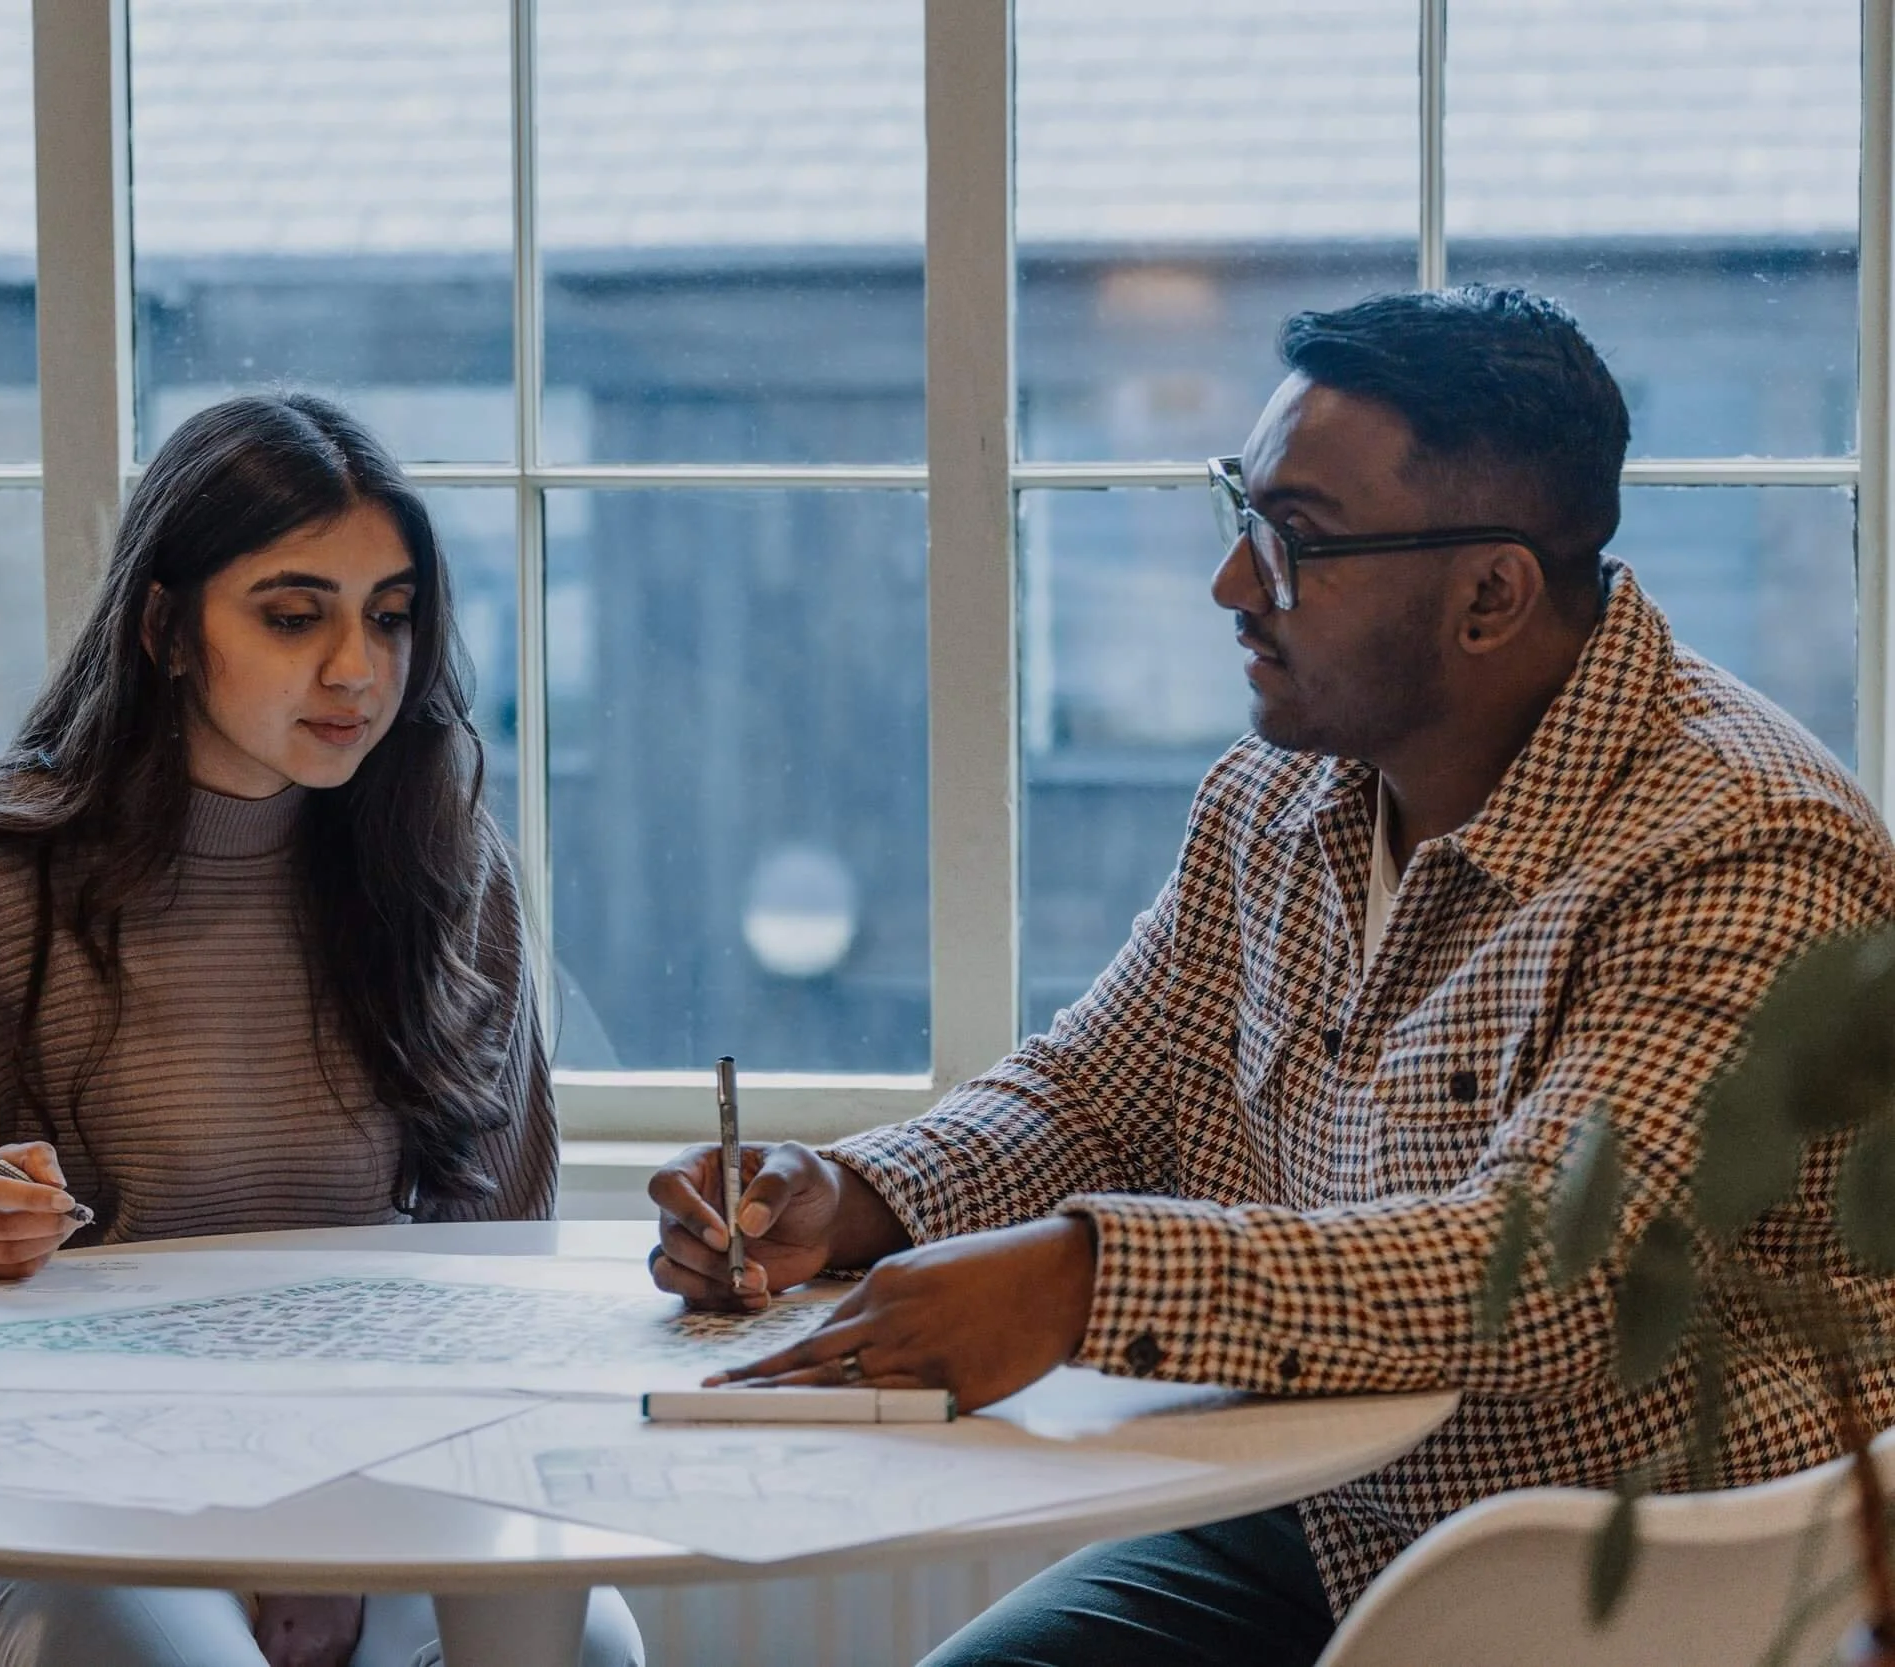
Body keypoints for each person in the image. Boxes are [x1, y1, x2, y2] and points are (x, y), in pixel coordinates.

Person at [649, 285, 1895, 1667]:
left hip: (1636, 1571)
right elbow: (1095, 1091)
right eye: (1241, 515)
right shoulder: (1276, 790)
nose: (1232, 584)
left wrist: (1083, 1280)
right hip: (1332, 1507)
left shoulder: (1746, 844)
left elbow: (1553, 1266)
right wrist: (853, 1194)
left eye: (1296, 541)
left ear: (1492, 594)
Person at [0, 392, 645, 1667]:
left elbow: (500, 1272)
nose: (357, 668)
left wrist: (341, 1521)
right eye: (293, 617)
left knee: (587, 1646)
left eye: (390, 617)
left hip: (373, 1458)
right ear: (163, 625)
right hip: (44, 1478)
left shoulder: (443, 865)